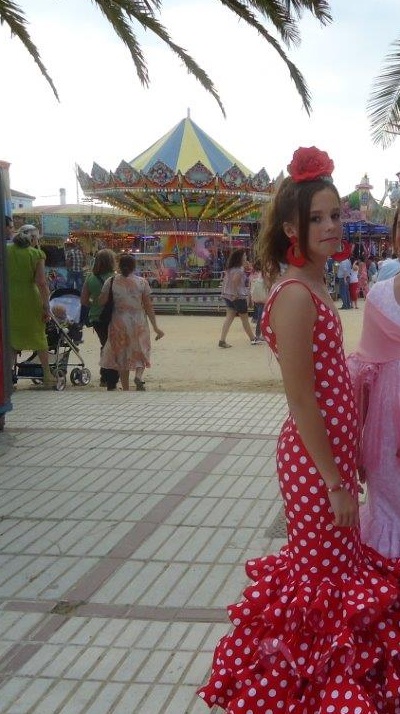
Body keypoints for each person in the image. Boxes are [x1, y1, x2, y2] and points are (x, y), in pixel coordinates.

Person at [198, 147, 400, 713]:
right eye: (317, 218)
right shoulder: (293, 296)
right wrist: (335, 481)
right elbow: (301, 399)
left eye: (335, 215)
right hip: (315, 468)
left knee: (335, 573)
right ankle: (309, 693)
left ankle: (328, 687)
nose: (332, 226)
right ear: (292, 227)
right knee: (322, 581)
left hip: (328, 460)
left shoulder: (312, 285)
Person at [347, 208, 400, 558]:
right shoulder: (378, 297)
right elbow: (364, 374)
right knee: (387, 513)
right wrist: (357, 442)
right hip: (386, 436)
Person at [98, 253, 164, 391]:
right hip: (138, 322)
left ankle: (126, 389)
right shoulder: (142, 282)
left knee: (122, 355)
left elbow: (101, 301)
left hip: (118, 322)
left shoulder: (111, 281)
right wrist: (155, 327)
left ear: (119, 265)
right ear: (134, 267)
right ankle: (138, 376)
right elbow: (148, 306)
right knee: (142, 349)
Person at [6, 224, 56, 388]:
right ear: (33, 239)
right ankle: (47, 374)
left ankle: (8, 376)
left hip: (9, 297)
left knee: (11, 337)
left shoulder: (6, 251)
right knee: (39, 336)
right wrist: (46, 306)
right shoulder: (36, 254)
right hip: (30, 297)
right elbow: (41, 282)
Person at [80, 248, 119, 390]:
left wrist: (95, 304)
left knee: (105, 344)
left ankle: (104, 376)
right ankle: (110, 376)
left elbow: (84, 300)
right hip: (114, 316)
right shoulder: (116, 278)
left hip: (97, 317)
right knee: (113, 345)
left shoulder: (90, 278)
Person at [219, 248, 261, 348]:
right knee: (244, 319)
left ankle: (222, 340)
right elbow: (235, 281)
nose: (246, 257)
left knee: (229, 318)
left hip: (227, 295)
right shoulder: (239, 270)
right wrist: (235, 294)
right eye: (244, 256)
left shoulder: (230, 269)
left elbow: (227, 281)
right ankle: (252, 338)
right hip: (238, 296)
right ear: (240, 258)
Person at [249, 259, 269, 340]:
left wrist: (251, 298)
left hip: (256, 297)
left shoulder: (253, 274)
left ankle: (259, 334)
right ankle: (259, 334)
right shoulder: (264, 274)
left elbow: (250, 286)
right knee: (262, 317)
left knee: (260, 316)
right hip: (263, 297)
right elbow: (268, 284)